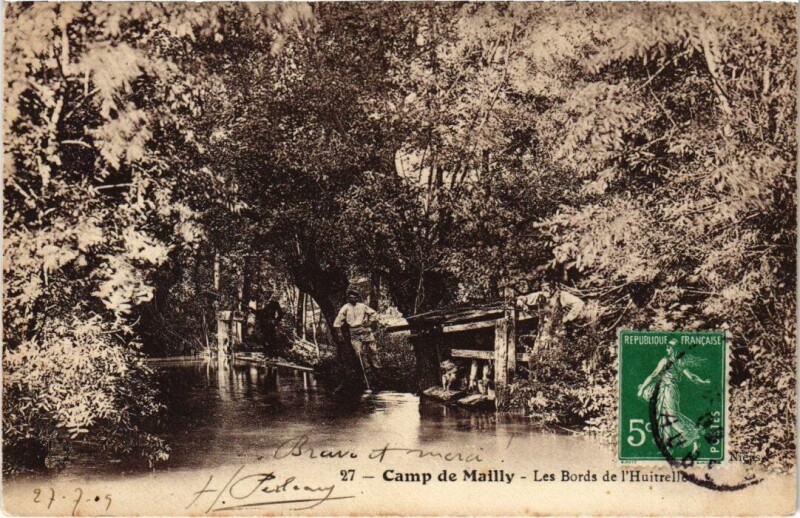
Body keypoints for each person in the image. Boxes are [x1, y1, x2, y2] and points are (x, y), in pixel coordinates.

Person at [637, 339, 710, 452]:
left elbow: (654, 374)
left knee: (671, 416)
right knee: (663, 416)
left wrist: (642, 388)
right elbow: (692, 377)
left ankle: (691, 436)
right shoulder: (680, 362)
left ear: (673, 349)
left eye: (669, 346)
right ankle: (668, 446)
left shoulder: (666, 361)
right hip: (667, 390)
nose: (667, 348)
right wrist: (703, 381)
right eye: (668, 346)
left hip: (668, 390)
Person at [333, 288, 381, 371]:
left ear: (358, 298)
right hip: (354, 331)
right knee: (359, 352)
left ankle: (378, 367)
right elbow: (337, 322)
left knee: (373, 349)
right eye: (351, 297)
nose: (353, 299)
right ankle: (366, 368)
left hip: (365, 330)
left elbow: (373, 313)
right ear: (348, 298)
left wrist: (370, 322)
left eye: (355, 297)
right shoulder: (346, 307)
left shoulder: (362, 306)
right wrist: (339, 334)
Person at [256, 290, 284, 357]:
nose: (266, 296)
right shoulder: (262, 303)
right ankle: (267, 355)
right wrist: (252, 310)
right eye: (265, 294)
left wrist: (275, 321)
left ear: (271, 295)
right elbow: (260, 314)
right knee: (264, 339)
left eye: (268, 294)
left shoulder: (275, 303)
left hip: (271, 324)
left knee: (272, 339)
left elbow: (281, 314)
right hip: (263, 324)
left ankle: (274, 356)